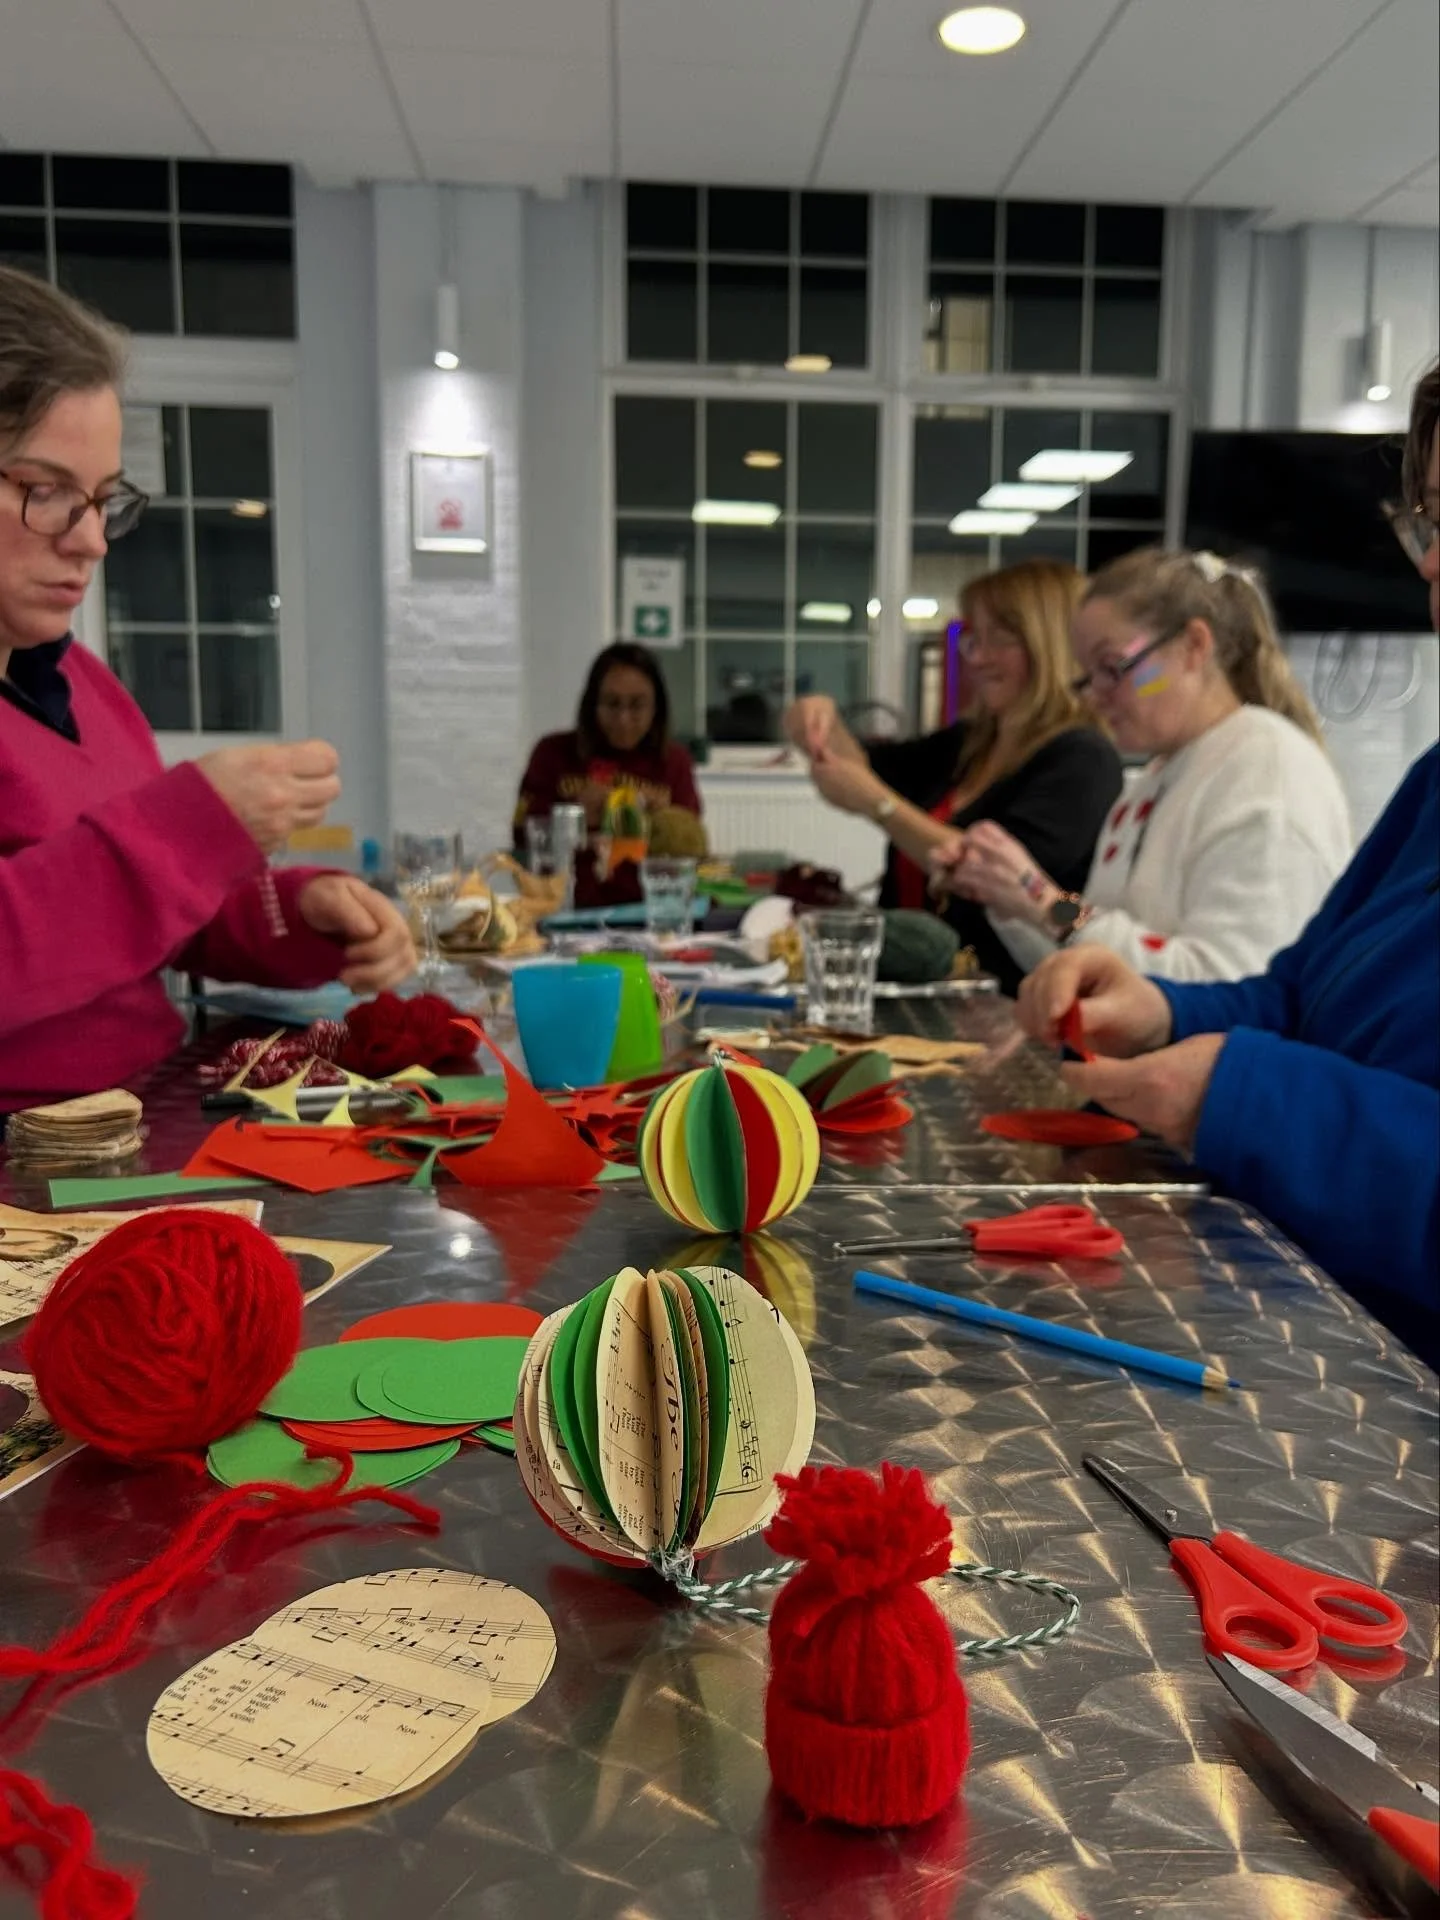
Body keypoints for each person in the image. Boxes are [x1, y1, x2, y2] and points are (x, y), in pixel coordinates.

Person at [1016, 360, 1440, 1366]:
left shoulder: (1267, 768)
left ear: (1197, 648)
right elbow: (1301, 998)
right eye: (1428, 523)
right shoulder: (1433, 784)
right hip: (1329, 1326)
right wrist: (1164, 1010)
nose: (1427, 566)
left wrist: (1242, 1094)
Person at [0, 266, 414, 1111]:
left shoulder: (82, 685)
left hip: (147, 1108)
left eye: (104, 502)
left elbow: (152, 923)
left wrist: (302, 912)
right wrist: (189, 828)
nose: (91, 544)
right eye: (44, 494)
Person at [933, 548, 1351, 984]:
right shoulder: (1154, 779)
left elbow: (1232, 987)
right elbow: (1093, 958)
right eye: (1088, 676)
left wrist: (1041, 901)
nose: (1095, 694)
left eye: (1113, 668)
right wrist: (1011, 897)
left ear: (1193, 646)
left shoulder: (1267, 771)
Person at [784, 560, 1122, 995]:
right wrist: (816, 721)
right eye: (972, 640)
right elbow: (863, 766)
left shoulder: (1083, 760)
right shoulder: (971, 741)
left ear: (1051, 644)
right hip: (922, 990)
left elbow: (1003, 882)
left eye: (999, 639)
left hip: (1006, 1000)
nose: (978, 657)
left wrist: (880, 806)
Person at [514, 641, 703, 901]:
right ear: (593, 704)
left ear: (656, 708)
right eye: (612, 704)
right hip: (567, 906)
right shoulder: (552, 753)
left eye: (637, 706)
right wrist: (574, 817)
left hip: (647, 909)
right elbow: (522, 837)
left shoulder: (673, 761)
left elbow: (691, 851)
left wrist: (659, 823)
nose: (624, 719)